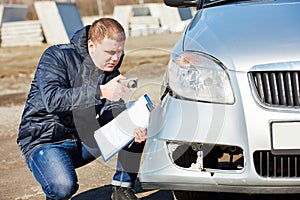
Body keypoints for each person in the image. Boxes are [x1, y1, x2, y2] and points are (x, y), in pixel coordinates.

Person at [17, 18, 147, 200]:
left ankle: (122, 188)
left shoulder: (110, 66)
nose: (116, 59)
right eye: (110, 52)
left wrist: (131, 128)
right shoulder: (56, 56)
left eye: (119, 52)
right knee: (63, 186)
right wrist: (101, 91)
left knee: (134, 120)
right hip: (46, 141)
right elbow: (53, 100)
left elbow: (111, 110)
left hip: (84, 138)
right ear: (91, 45)